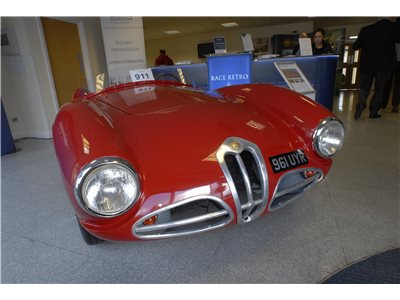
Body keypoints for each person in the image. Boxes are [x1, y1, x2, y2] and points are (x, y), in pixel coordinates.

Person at [353, 18, 400, 120]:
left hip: (367, 64)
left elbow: (356, 46)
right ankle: (373, 112)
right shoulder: (394, 28)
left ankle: (360, 107)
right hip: (384, 65)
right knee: (379, 89)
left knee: (364, 88)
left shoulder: (365, 29)